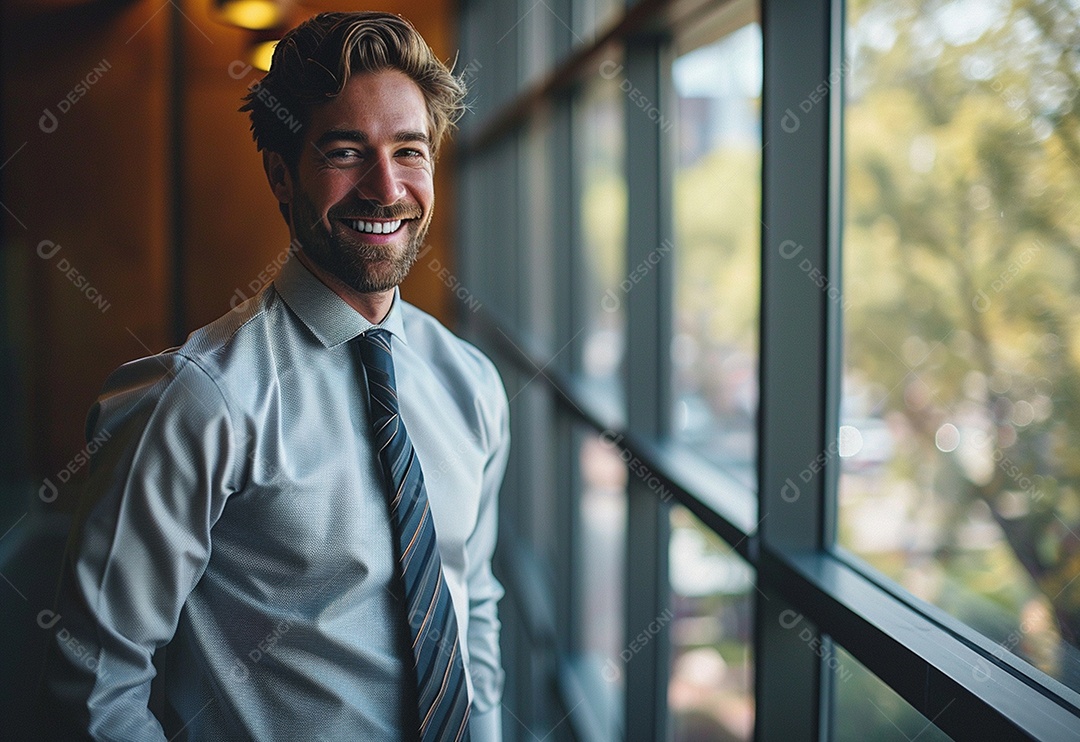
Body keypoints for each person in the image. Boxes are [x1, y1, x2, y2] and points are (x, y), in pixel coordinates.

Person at [44, 11, 508, 741]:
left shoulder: (472, 384)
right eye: (346, 151)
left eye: (409, 151)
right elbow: (96, 682)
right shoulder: (198, 401)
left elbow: (472, 601)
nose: (385, 188)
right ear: (281, 175)